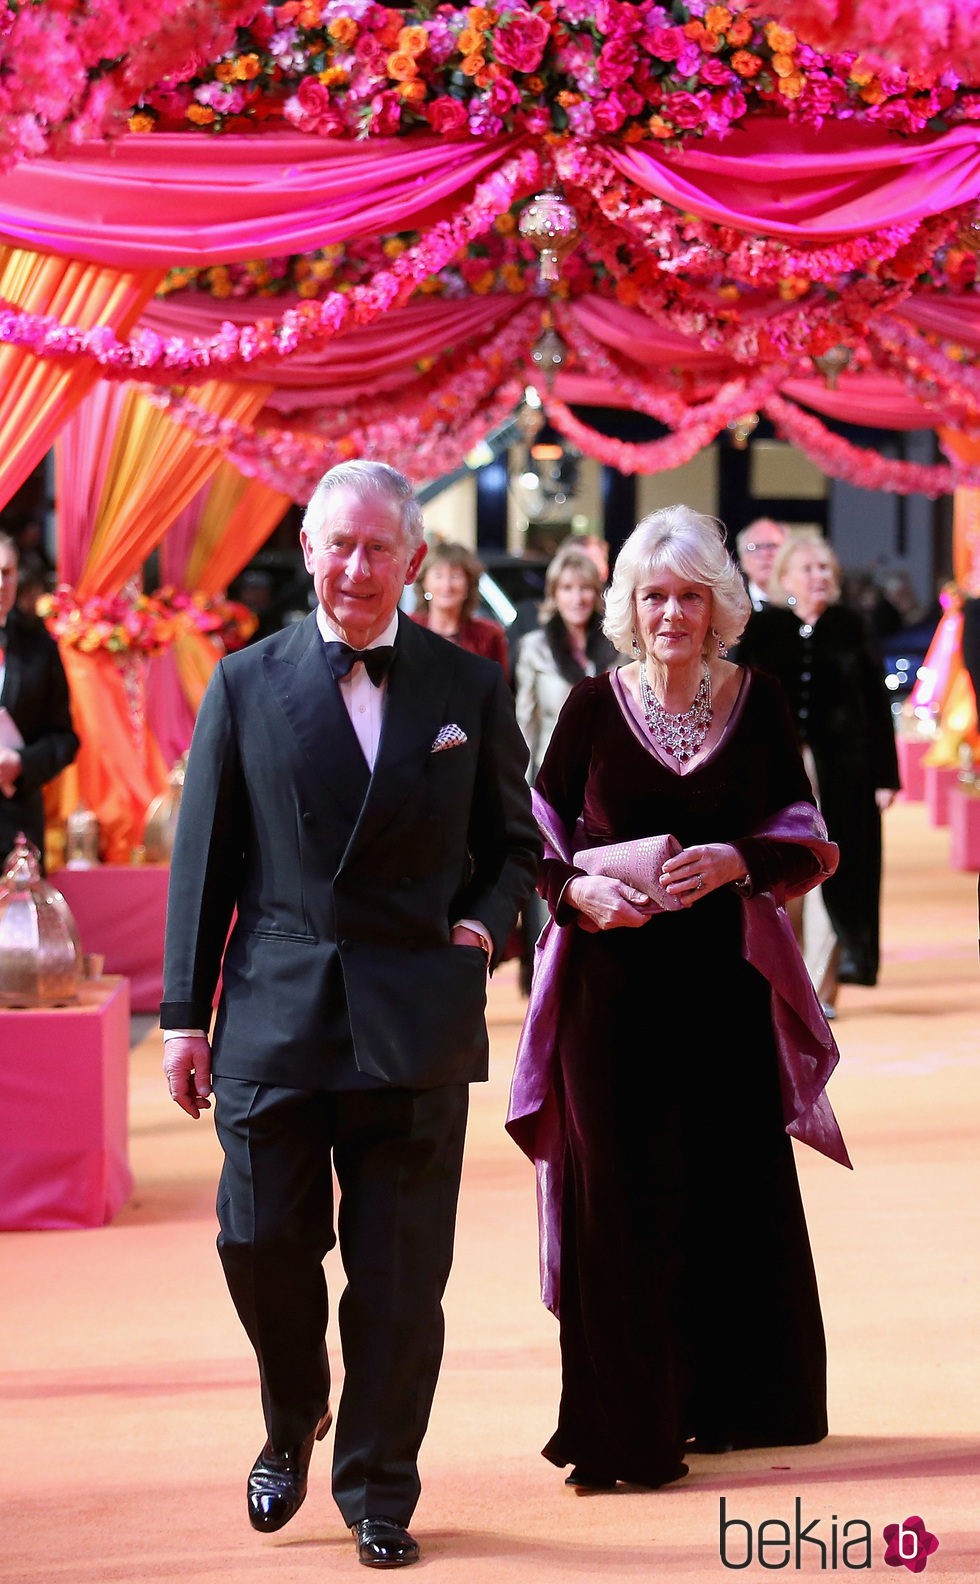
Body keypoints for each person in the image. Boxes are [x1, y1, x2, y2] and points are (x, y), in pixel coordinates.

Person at [161, 461, 537, 1569]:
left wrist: (480, 927)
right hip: (277, 1009)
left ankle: (378, 1486)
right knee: (257, 1236)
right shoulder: (243, 682)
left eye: (379, 548)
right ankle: (293, 1411)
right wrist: (184, 1016)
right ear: (309, 551)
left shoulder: (464, 688)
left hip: (413, 1014)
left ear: (413, 561)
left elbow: (512, 847)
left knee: (399, 1275)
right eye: (338, 545)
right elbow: (204, 863)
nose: (357, 568)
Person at [507, 505, 849, 1493]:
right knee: (618, 1201)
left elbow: (804, 835)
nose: (669, 615)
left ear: (718, 605)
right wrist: (575, 889)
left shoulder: (760, 700)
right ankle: (626, 1431)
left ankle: (737, 1402)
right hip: (607, 997)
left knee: (727, 1191)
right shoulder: (585, 707)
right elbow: (531, 840)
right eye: (653, 597)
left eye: (688, 597)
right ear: (628, 605)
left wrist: (738, 857)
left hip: (724, 991)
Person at [736, 531, 900, 1012]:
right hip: (778, 769)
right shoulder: (763, 630)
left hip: (845, 770)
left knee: (836, 871)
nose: (819, 577)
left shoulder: (852, 626)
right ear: (786, 577)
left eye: (825, 569)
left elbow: (875, 703)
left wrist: (886, 778)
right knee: (783, 868)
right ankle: (782, 976)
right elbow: (740, 702)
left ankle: (821, 985)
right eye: (808, 569)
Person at [514, 543, 620, 993]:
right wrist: (521, 791)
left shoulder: (615, 646)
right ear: (554, 594)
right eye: (569, 589)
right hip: (551, 783)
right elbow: (524, 720)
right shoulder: (534, 648)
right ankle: (547, 979)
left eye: (585, 589)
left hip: (607, 783)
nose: (577, 598)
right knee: (554, 878)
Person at [0, 532, 79, 868]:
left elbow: (64, 740)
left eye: (6, 572)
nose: (0, 583)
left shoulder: (39, 646)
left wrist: (20, 763)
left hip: (13, 830)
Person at [411, 539, 510, 676]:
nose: (447, 586)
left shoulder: (489, 636)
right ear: (424, 582)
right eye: (438, 576)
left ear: (469, 584)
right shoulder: (406, 629)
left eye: (455, 576)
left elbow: (500, 692)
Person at [736, 517, 787, 610]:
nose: (765, 554)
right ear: (743, 559)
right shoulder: (733, 606)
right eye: (755, 547)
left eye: (772, 546)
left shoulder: (803, 603)